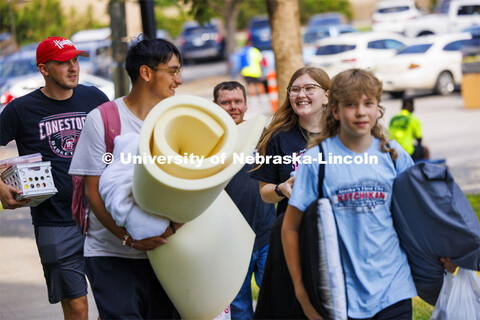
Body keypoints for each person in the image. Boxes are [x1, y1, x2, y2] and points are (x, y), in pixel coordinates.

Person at [282, 68, 455, 320]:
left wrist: (444, 252)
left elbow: (420, 213)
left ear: (378, 108)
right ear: (336, 111)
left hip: (393, 290)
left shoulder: (394, 156)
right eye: (351, 104)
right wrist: (302, 294)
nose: (361, 112)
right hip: (341, 297)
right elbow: (290, 228)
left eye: (368, 103)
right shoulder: (316, 160)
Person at [68, 38, 183, 319]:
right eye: (172, 71)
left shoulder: (178, 120)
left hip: (165, 253)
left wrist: (169, 231)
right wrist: (129, 239)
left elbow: (192, 187)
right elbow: (92, 194)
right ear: (146, 73)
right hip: (110, 253)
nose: (178, 80)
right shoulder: (103, 119)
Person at [0, 36, 110, 319]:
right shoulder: (21, 109)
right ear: (44, 69)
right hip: (54, 221)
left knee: (114, 303)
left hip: (102, 216)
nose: (73, 68)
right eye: (63, 63)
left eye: (75, 60)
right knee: (76, 306)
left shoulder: (95, 98)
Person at [250, 67, 330, 318]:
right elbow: (265, 192)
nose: (301, 94)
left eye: (309, 88)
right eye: (295, 89)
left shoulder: (343, 134)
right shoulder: (277, 137)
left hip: (337, 233)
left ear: (326, 95)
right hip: (294, 234)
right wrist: (282, 190)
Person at [213, 81, 276, 319]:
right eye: (226, 102)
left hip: (267, 235)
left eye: (238, 101)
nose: (233, 107)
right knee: (239, 310)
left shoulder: (262, 136)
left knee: (278, 299)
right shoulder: (209, 141)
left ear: (246, 104)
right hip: (231, 243)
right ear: (215, 106)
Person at [389, 97, 429, 161]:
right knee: (425, 149)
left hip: (392, 151)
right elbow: (419, 139)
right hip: (407, 151)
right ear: (412, 107)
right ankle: (424, 169)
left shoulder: (393, 118)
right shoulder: (413, 120)